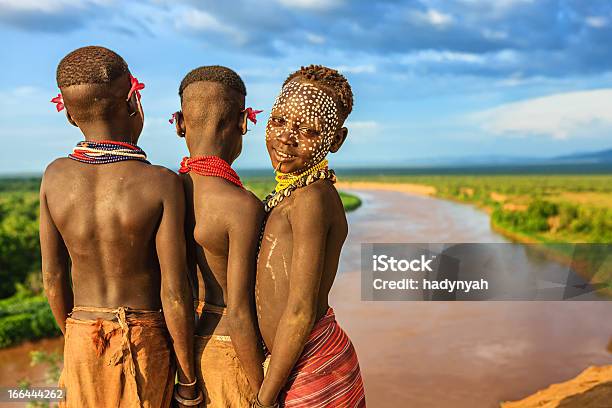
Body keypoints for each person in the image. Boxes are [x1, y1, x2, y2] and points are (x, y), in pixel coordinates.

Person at [40, 46, 200, 408]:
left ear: (67, 114)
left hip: (80, 335)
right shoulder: (160, 183)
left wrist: (76, 340)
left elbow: (52, 279)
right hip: (143, 344)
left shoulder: (55, 176)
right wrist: (188, 382)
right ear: (133, 102)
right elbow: (175, 293)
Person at [255, 65, 366, 407]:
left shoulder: (312, 199)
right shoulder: (294, 194)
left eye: (308, 130)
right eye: (278, 122)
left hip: (314, 366)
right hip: (299, 364)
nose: (287, 138)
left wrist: (264, 398)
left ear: (336, 140)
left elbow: (301, 311)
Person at [172, 65, 265, 407]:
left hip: (179, 355)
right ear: (243, 122)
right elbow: (239, 312)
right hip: (230, 350)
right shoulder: (242, 207)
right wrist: (264, 393)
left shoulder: (165, 190)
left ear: (180, 122)